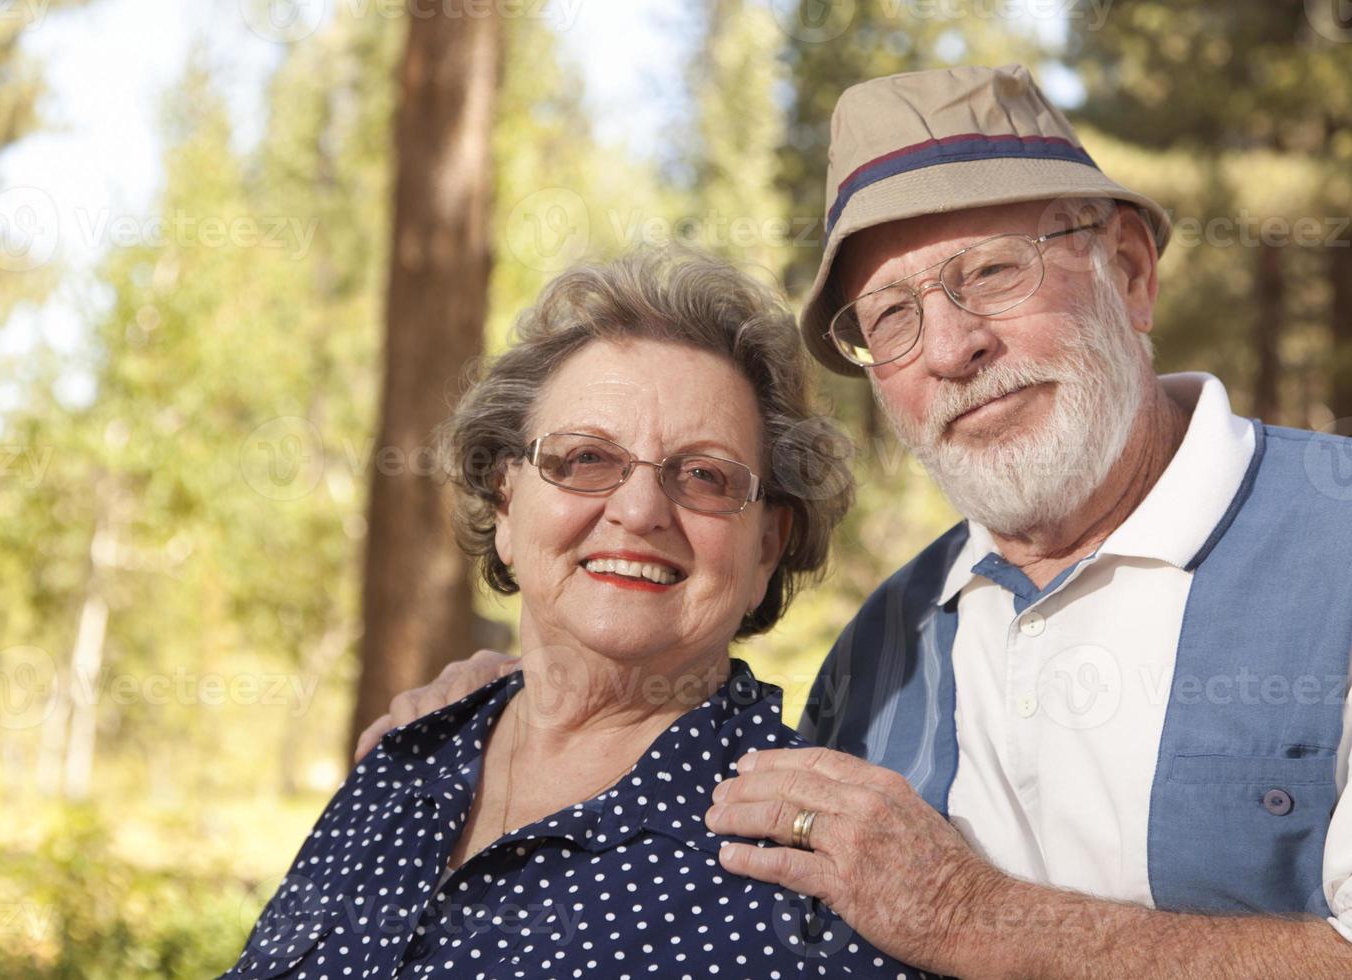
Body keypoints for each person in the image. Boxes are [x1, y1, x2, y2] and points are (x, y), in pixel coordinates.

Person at [357, 65, 1352, 977]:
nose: (952, 347)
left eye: (994, 272)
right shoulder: (882, 652)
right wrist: (518, 698)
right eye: (892, 316)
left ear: (1130, 270)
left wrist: (979, 915)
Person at [223, 249, 935, 978]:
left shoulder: (811, 875)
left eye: (704, 475)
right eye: (587, 458)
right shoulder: (402, 761)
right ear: (505, 503)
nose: (638, 510)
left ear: (765, 548)